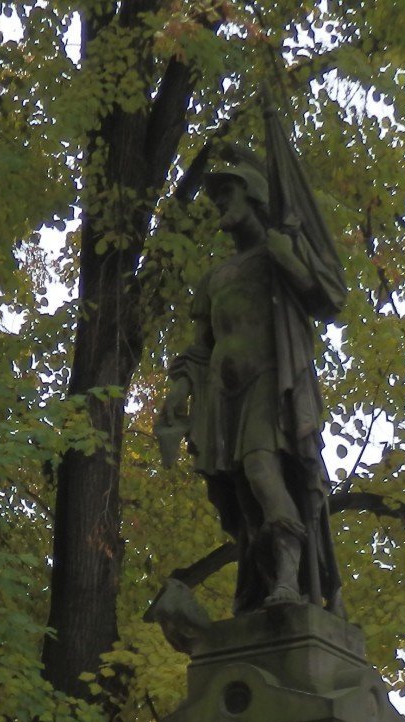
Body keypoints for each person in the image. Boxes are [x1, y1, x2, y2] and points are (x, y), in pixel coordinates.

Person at [157, 145, 346, 614]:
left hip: (269, 384)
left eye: (227, 191)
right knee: (241, 501)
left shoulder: (275, 256)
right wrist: (180, 391)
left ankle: (289, 579)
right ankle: (264, 582)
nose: (218, 201)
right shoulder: (216, 277)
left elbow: (326, 299)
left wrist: (288, 257)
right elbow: (202, 345)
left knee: (263, 472)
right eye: (215, 193)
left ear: (255, 196)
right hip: (223, 397)